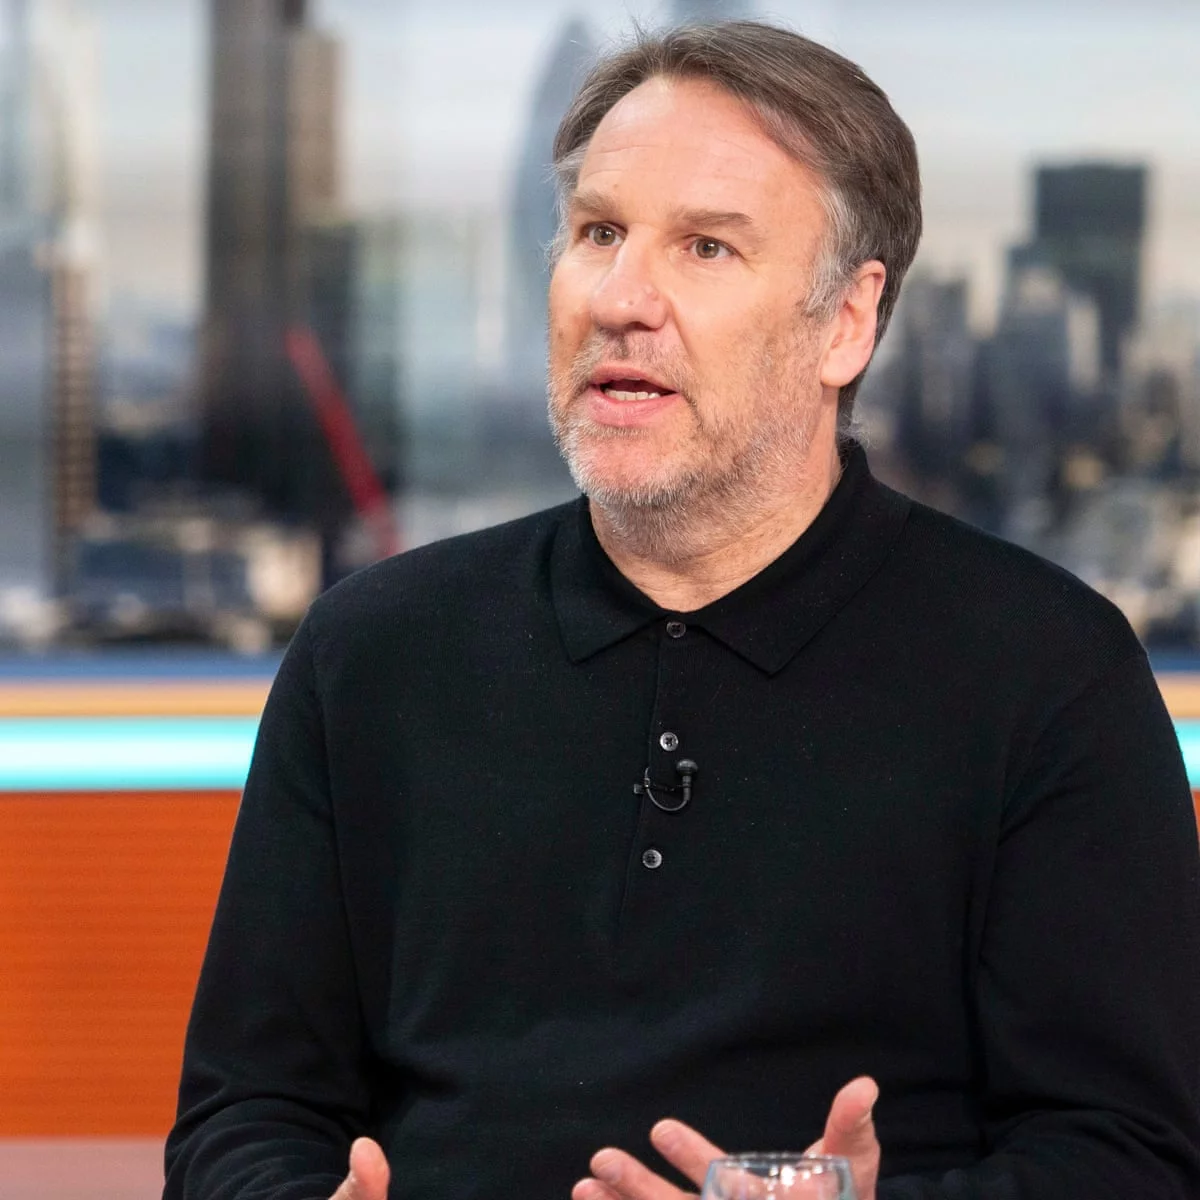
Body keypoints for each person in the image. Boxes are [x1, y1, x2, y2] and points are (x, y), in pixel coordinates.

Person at [164, 20, 1200, 1200]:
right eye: (598, 232)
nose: (621, 298)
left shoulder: (1048, 672)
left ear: (847, 321)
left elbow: (1130, 1160)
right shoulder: (371, 651)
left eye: (706, 247)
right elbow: (243, 1118)